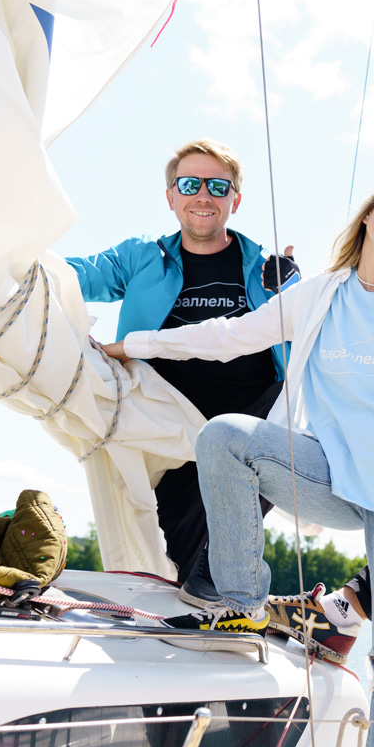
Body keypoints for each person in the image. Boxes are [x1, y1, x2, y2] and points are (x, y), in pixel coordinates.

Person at [103, 173, 374, 747]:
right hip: (331, 476)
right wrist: (135, 345)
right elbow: (230, 336)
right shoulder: (322, 293)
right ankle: (241, 604)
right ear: (369, 213)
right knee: (226, 436)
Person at [66, 139, 298, 601]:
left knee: (300, 406)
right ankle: (216, 612)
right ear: (171, 196)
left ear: (235, 198)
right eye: (190, 184)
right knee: (184, 566)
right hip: (166, 423)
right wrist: (5, 257)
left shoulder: (266, 268)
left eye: (218, 186)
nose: (203, 196)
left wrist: (293, 290)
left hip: (250, 417)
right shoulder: (139, 258)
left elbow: (311, 336)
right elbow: (73, 275)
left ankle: (237, 599)